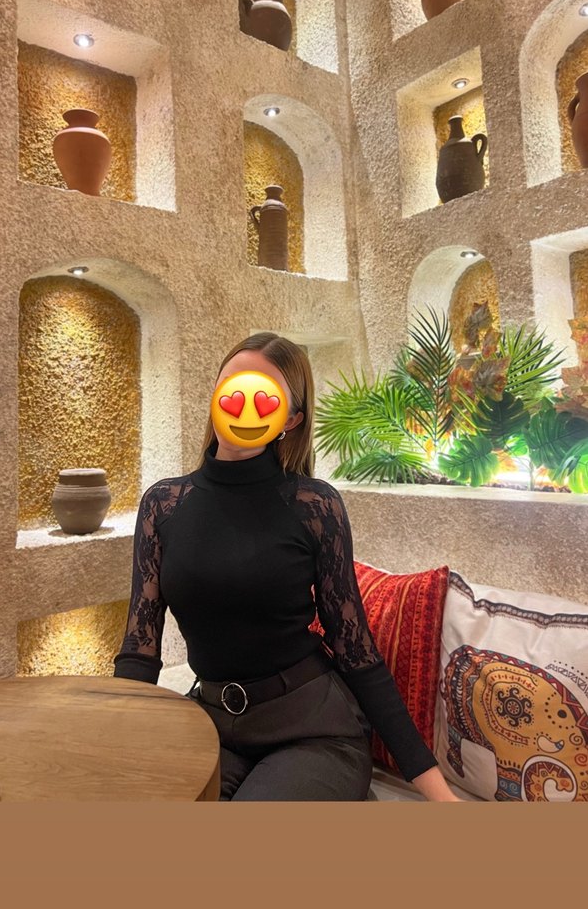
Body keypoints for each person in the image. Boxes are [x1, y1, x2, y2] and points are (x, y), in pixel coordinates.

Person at [113, 332, 461, 801]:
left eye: (266, 396)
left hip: (313, 731)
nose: (245, 405)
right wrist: (114, 752)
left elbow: (355, 650)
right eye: (233, 386)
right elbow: (140, 648)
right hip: (210, 725)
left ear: (291, 420)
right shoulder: (163, 505)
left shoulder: (315, 506)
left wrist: (441, 796)